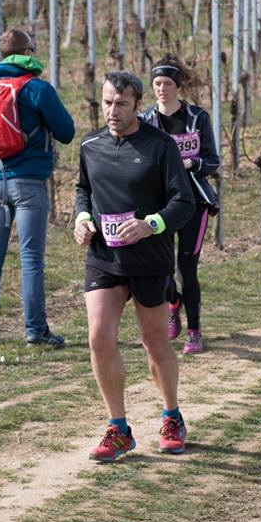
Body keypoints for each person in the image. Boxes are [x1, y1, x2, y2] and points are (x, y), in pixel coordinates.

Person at [74, 71, 195, 462]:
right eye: (107, 102)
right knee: (98, 337)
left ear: (137, 105)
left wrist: (150, 225)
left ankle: (172, 416)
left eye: (121, 104)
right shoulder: (90, 144)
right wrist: (81, 218)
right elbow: (83, 190)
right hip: (105, 258)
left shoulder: (160, 146)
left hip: (149, 258)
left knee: (154, 342)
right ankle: (118, 427)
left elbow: (183, 202)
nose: (112, 111)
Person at [0, 28, 75, 348]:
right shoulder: (37, 89)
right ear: (27, 52)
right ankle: (35, 331)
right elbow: (66, 132)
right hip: (30, 186)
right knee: (31, 259)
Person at [140, 56, 220, 355]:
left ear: (178, 86)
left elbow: (213, 161)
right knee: (162, 268)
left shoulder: (198, 118)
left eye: (168, 84)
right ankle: (173, 303)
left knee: (187, 268)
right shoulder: (146, 121)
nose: (162, 89)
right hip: (159, 205)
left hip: (195, 201)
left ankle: (195, 331)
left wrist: (191, 163)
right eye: (157, 84)